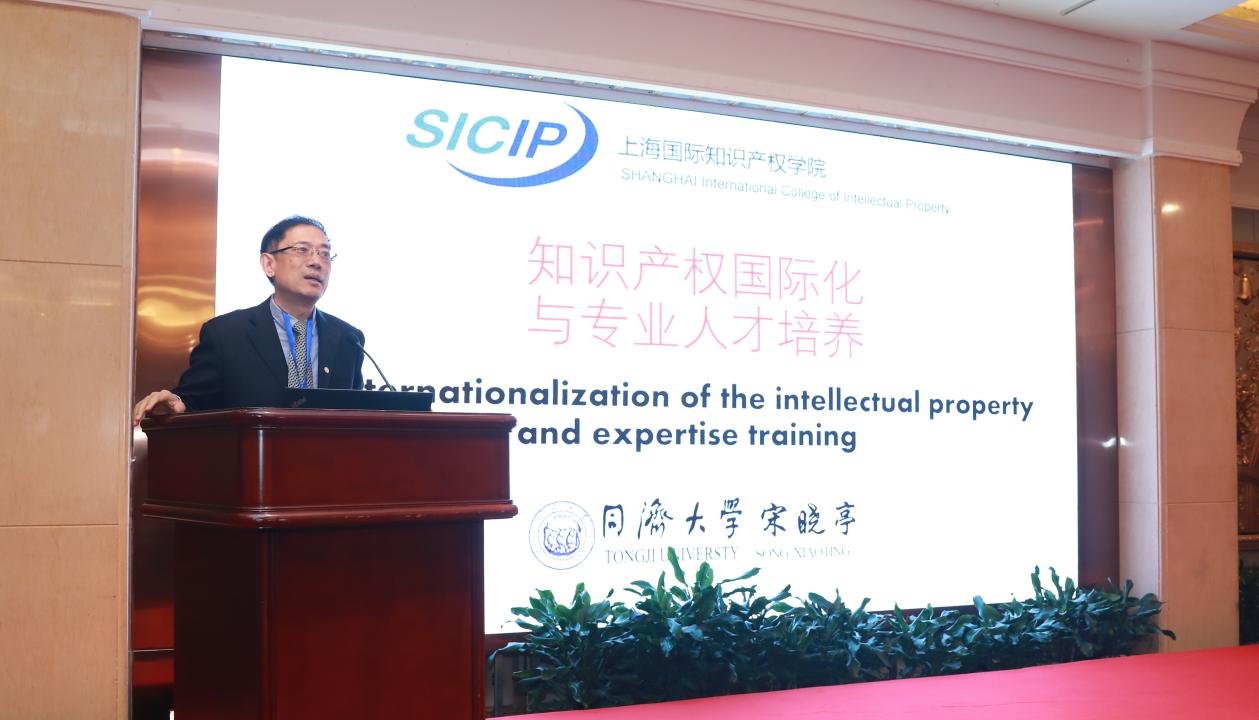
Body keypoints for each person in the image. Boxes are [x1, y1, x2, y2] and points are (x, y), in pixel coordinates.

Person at [132, 216, 365, 425]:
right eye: (302, 250)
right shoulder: (226, 334)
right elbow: (195, 400)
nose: (316, 261)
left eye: (324, 253)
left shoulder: (348, 339)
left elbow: (359, 415)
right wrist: (177, 402)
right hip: (254, 457)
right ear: (269, 264)